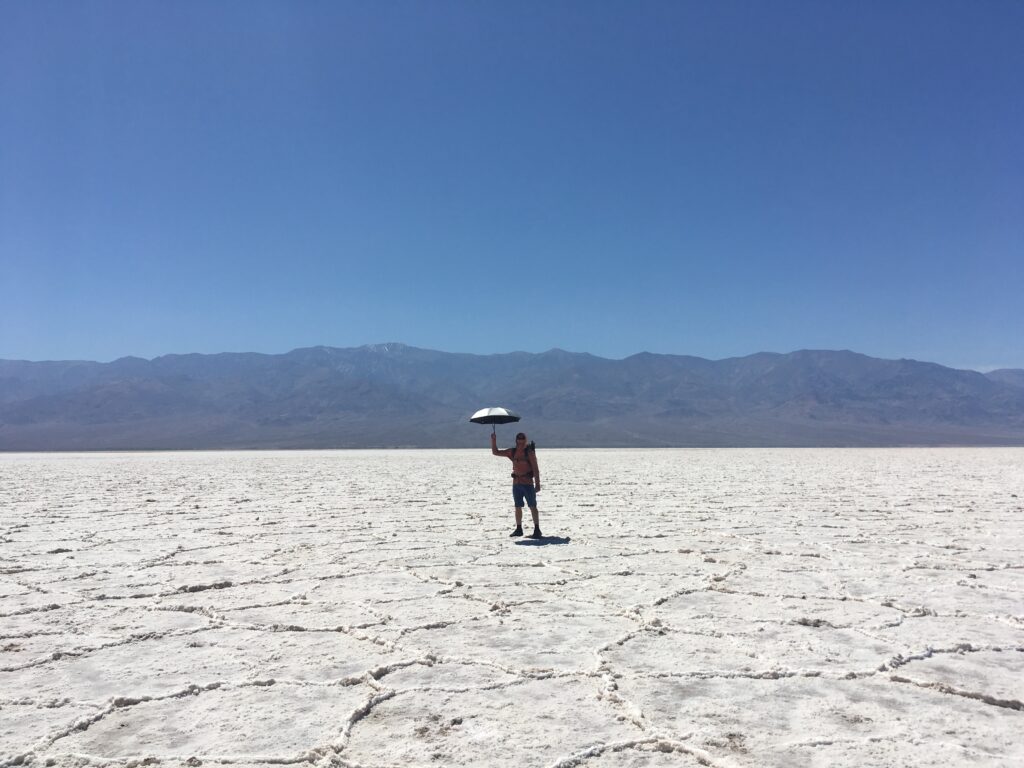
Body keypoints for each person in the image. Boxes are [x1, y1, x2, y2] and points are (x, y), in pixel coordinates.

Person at [491, 431, 542, 538]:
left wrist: (537, 484)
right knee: (517, 506)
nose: (520, 443)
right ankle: (519, 529)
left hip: (528, 484)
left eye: (522, 441)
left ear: (525, 441)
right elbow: (495, 452)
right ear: (516, 441)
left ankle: (537, 529)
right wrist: (493, 440)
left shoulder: (529, 452)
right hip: (516, 484)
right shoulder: (512, 452)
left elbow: (535, 469)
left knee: (532, 506)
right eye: (519, 441)